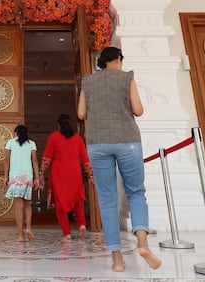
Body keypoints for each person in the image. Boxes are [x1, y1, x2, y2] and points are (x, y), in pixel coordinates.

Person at [77, 46, 161, 272]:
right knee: (135, 192)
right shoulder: (127, 78)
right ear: (118, 59)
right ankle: (142, 244)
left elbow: (81, 114)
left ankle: (116, 258)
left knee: (107, 198)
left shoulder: (88, 82)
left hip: (98, 143)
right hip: (128, 141)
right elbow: (138, 109)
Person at [39, 114, 92, 240]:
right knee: (77, 199)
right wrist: (90, 174)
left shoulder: (54, 137)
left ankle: (67, 233)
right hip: (75, 173)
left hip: (59, 174)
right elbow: (85, 159)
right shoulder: (78, 139)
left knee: (60, 203)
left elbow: (47, 158)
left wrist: (41, 172)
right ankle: (82, 225)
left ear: (58, 125)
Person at [4, 124, 40, 242]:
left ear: (16, 133)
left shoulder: (10, 142)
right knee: (28, 203)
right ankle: (29, 228)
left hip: (15, 175)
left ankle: (20, 235)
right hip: (28, 175)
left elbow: (6, 160)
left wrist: (5, 177)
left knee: (18, 205)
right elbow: (34, 161)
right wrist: (37, 178)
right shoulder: (31, 144)